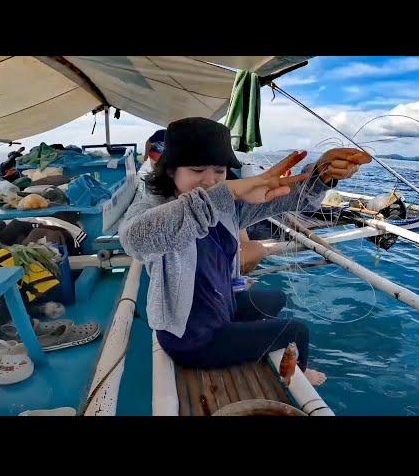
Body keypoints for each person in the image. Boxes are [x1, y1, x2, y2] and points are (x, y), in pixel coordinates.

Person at [119, 117, 371, 386]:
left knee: (278, 298)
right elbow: (136, 239)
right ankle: (299, 372)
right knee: (296, 330)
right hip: (191, 337)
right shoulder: (154, 209)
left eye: (219, 171)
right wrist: (225, 192)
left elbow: (284, 198)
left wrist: (320, 176)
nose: (210, 181)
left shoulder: (227, 206)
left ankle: (252, 340)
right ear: (171, 170)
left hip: (220, 308)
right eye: (196, 169)